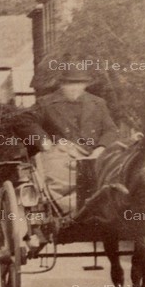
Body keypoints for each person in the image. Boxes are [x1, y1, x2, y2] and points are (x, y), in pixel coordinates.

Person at [30, 69, 120, 212]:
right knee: (59, 179)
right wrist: (44, 141)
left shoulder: (98, 103)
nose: (74, 88)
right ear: (61, 84)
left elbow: (111, 130)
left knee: (115, 178)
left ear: (86, 84)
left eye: (79, 83)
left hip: (93, 154)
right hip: (60, 154)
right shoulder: (45, 103)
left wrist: (101, 148)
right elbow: (27, 122)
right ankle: (68, 212)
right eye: (69, 84)